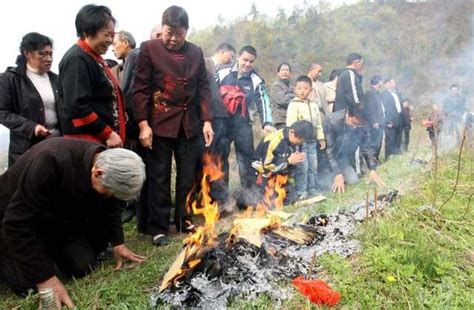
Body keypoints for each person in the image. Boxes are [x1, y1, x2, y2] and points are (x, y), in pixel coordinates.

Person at [0, 137, 146, 308]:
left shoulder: (106, 162)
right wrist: (46, 280)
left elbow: (111, 206)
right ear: (97, 173)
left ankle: (44, 253)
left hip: (55, 220)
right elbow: (15, 224)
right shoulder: (49, 161)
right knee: (29, 286)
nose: (109, 197)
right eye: (109, 193)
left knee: (82, 266)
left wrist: (118, 243)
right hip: (11, 221)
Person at [133, 6, 213, 246]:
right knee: (159, 175)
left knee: (188, 175)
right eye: (169, 32)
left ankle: (183, 218)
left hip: (189, 124)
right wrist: (143, 124)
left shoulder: (196, 52)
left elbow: (204, 88)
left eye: (179, 33)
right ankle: (158, 226)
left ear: (186, 31)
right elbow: (141, 89)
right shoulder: (149, 49)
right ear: (162, 28)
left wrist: (207, 120)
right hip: (159, 123)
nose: (174, 38)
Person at [58, 4, 126, 148]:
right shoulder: (77, 59)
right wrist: (107, 133)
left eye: (112, 36)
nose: (110, 40)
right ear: (87, 31)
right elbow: (77, 106)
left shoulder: (94, 57)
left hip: (101, 141)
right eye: (106, 34)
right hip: (87, 143)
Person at [215, 45, 275, 196]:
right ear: (238, 58)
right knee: (220, 160)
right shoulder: (221, 73)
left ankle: (248, 199)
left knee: (246, 161)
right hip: (223, 124)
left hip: (243, 125)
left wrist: (267, 122)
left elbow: (263, 100)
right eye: (245, 60)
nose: (247, 64)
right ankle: (222, 200)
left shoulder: (256, 79)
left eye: (251, 61)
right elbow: (209, 94)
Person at [0, 32, 60, 167]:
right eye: (43, 54)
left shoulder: (56, 79)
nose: (49, 58)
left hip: (57, 145)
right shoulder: (11, 79)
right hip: (27, 150)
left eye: (51, 54)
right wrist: (31, 127)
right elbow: (2, 112)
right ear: (27, 54)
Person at [111, 30, 146, 223]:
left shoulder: (135, 56)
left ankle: (139, 210)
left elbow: (130, 93)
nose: (112, 47)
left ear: (125, 42)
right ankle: (134, 206)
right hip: (134, 124)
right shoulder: (123, 64)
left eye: (115, 43)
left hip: (134, 124)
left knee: (136, 165)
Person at [323, 107, 384, 193]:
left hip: (343, 160)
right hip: (325, 161)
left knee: (353, 181)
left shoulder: (363, 123)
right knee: (327, 187)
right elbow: (329, 152)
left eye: (359, 125)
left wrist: (372, 169)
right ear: (348, 115)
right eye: (353, 124)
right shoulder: (332, 121)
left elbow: (366, 147)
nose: (356, 127)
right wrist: (337, 174)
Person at [251, 120, 313, 204]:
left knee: (291, 198)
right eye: (299, 141)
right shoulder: (275, 141)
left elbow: (286, 166)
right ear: (292, 132)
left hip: (277, 174)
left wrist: (294, 162)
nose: (299, 144)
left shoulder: (293, 140)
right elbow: (266, 167)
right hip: (261, 175)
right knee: (267, 203)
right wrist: (288, 161)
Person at [286, 76, 326, 198]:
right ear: (295, 90)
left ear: (311, 90)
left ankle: (312, 188)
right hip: (300, 142)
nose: (302, 91)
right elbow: (290, 125)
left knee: (313, 166)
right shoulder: (293, 105)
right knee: (302, 167)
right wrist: (294, 142)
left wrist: (321, 138)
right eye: (299, 88)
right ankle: (301, 191)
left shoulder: (313, 105)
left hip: (312, 141)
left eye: (305, 88)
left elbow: (318, 124)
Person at [364, 75, 385, 160]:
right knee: (374, 143)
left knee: (378, 142)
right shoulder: (370, 93)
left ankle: (376, 159)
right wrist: (374, 121)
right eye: (381, 81)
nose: (382, 83)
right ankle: (372, 161)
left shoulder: (377, 93)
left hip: (380, 122)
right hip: (375, 123)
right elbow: (370, 108)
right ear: (378, 81)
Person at [381, 77, 403, 160]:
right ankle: (389, 158)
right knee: (390, 140)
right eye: (392, 82)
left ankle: (396, 156)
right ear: (386, 84)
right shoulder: (384, 94)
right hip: (390, 121)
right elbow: (384, 109)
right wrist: (387, 121)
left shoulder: (396, 93)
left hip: (398, 118)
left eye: (394, 82)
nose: (394, 84)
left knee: (398, 138)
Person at [270, 62, 294, 129]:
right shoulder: (276, 86)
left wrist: (288, 95)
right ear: (278, 73)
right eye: (282, 70)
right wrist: (293, 96)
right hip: (280, 120)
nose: (285, 72)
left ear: (290, 73)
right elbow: (282, 101)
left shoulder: (291, 86)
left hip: (290, 118)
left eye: (287, 70)